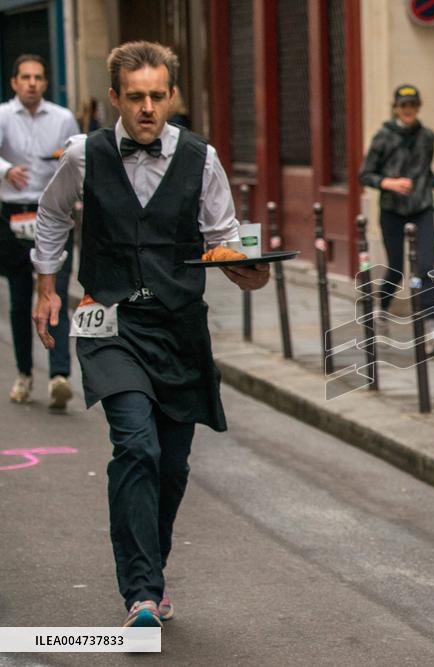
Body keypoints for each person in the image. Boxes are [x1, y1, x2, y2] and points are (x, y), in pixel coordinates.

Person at [31, 41, 270, 628]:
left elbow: (223, 239)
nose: (146, 107)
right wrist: (47, 286)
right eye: (134, 96)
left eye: (157, 96)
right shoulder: (84, 155)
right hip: (110, 324)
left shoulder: (201, 158)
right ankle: (140, 592)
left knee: (172, 466)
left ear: (170, 97)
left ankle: (150, 569)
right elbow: (51, 213)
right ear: (114, 97)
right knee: (136, 446)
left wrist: (250, 272)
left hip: (179, 329)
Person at [0, 54, 80, 408]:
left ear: (46, 83)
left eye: (38, 77)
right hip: (13, 214)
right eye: (25, 77)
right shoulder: (3, 115)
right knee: (20, 299)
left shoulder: (62, 118)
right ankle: (24, 373)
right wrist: (5, 171)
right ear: (15, 83)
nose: (32, 83)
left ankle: (59, 375)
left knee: (56, 295)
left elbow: (77, 155)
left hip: (54, 215)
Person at [359, 83, 434, 314]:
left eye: (413, 105)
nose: (408, 110)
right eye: (404, 105)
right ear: (395, 108)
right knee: (396, 269)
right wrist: (389, 183)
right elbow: (365, 175)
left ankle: (429, 321)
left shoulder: (427, 137)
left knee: (426, 266)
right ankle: (382, 309)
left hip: (421, 207)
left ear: (418, 107)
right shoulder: (383, 137)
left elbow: (424, 170)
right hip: (392, 210)